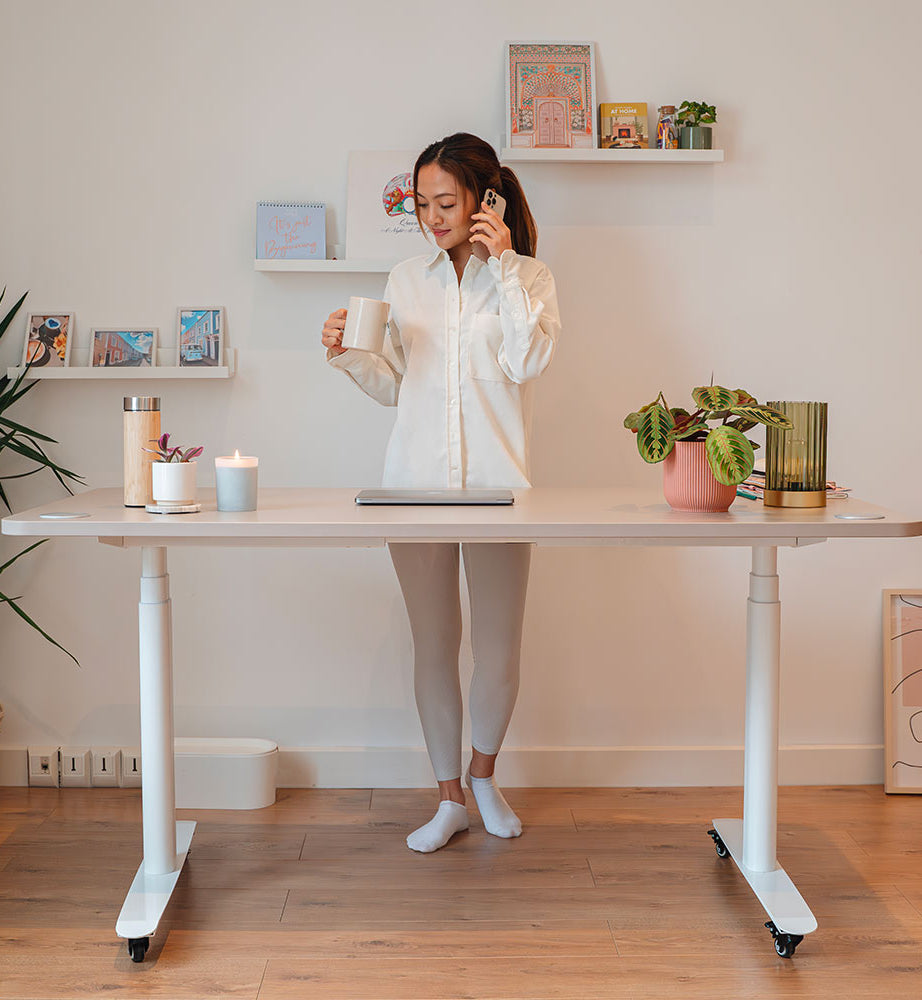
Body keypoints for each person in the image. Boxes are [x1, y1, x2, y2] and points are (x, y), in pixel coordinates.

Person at [321, 133, 561, 853]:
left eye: (446, 201)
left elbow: (528, 359)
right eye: (422, 204)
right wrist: (347, 354)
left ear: (486, 197)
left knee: (499, 648)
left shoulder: (530, 278)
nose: (432, 216)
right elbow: (395, 385)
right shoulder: (405, 279)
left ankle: (484, 777)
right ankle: (448, 797)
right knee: (434, 645)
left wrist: (506, 263)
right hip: (413, 489)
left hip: (498, 490)